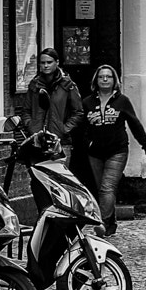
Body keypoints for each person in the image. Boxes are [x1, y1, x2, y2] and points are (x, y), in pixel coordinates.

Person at [80, 64, 146, 236]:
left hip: (117, 150)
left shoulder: (122, 101)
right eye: (101, 76)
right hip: (95, 152)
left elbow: (134, 123)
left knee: (107, 187)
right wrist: (88, 144)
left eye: (108, 77)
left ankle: (102, 224)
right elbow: (82, 128)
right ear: (96, 80)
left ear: (114, 80)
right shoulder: (87, 102)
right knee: (101, 188)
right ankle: (111, 222)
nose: (104, 79)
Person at [27, 46, 88, 188]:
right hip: (38, 141)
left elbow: (78, 112)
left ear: (57, 62)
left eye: (49, 62)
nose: (45, 65)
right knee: (40, 183)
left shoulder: (68, 85)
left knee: (60, 183)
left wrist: (64, 129)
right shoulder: (34, 85)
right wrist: (32, 126)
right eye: (42, 63)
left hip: (60, 141)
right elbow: (26, 110)